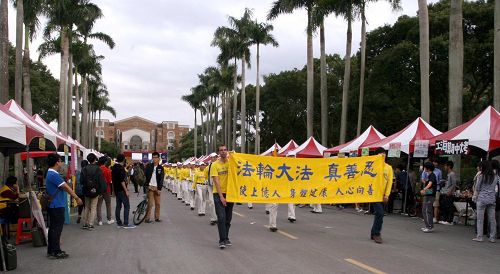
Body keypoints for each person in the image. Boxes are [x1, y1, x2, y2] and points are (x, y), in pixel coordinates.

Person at [45, 153, 83, 259]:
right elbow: (66, 187)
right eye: (60, 161)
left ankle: (51, 250)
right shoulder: (53, 174)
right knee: (56, 229)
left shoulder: (50, 173)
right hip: (56, 205)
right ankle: (56, 251)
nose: (61, 163)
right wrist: (76, 197)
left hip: (54, 205)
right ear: (57, 162)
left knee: (53, 228)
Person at [211, 144, 234, 249]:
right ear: (218, 152)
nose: (223, 152)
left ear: (227, 151)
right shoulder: (215, 165)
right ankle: (222, 240)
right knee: (221, 217)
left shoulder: (231, 163)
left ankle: (226, 238)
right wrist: (221, 197)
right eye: (221, 150)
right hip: (218, 193)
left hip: (230, 193)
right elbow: (216, 181)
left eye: (225, 150)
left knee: (228, 218)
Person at [370, 150, 394, 244]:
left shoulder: (388, 168)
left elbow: (389, 182)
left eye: (384, 155)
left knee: (378, 214)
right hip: (374, 194)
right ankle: (376, 233)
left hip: (383, 195)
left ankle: (373, 233)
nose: (383, 157)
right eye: (381, 155)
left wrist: (387, 195)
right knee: (380, 213)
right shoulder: (372, 166)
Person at [81, 153, 107, 230]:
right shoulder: (98, 169)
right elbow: (101, 181)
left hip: (86, 190)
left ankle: (85, 223)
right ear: (95, 159)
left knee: (87, 207)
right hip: (95, 191)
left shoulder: (84, 169)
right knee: (93, 207)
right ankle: (91, 224)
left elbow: (81, 181)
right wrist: (102, 191)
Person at [473, 161, 497, 242]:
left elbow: (477, 188)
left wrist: (474, 196)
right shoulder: (495, 176)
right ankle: (492, 237)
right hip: (492, 199)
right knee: (492, 219)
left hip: (482, 199)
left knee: (480, 219)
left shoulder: (481, 176)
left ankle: (479, 237)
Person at [112, 154, 135, 229]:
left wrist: (113, 191)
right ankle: (126, 223)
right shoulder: (121, 169)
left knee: (118, 206)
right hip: (122, 189)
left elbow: (113, 180)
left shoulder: (114, 168)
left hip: (116, 189)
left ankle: (119, 222)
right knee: (127, 206)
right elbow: (122, 181)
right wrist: (126, 191)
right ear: (123, 160)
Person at [144, 152, 164, 223]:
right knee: (150, 204)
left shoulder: (161, 168)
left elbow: (161, 179)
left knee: (158, 204)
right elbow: (145, 176)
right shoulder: (149, 166)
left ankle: (157, 217)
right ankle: (147, 218)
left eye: (156, 157)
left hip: (157, 187)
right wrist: (146, 185)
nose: (155, 159)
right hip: (150, 187)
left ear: (159, 158)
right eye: (153, 157)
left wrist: (159, 189)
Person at [97, 156, 115, 226]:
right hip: (106, 189)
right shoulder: (108, 170)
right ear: (105, 162)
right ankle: (109, 219)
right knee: (108, 204)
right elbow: (110, 181)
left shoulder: (98, 169)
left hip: (99, 189)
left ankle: (99, 220)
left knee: (99, 205)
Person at [420, 161, 438, 233]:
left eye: (425, 167)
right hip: (428, 194)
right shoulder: (429, 175)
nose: (424, 168)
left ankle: (430, 227)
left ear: (428, 168)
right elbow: (428, 183)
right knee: (425, 210)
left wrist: (424, 189)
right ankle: (427, 225)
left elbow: (430, 184)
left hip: (430, 195)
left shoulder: (432, 175)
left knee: (427, 210)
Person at [439, 161, 457, 225]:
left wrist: (450, 191)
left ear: (449, 166)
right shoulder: (448, 174)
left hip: (449, 193)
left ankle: (450, 220)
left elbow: (454, 184)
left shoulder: (452, 174)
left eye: (445, 166)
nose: (444, 167)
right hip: (445, 192)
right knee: (444, 206)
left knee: (449, 207)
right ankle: (445, 219)